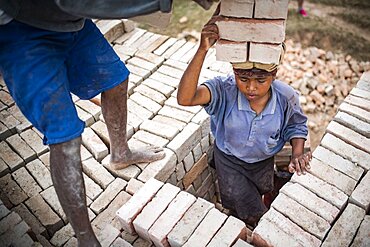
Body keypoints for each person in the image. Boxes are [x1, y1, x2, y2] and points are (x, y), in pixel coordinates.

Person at [0, 0, 218, 246]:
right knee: (66, 136)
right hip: (22, 29)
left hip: (71, 21)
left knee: (116, 80)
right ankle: (86, 239)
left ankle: (120, 153)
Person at [177, 17, 312, 227]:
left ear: (274, 75)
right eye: (243, 79)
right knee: (250, 210)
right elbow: (185, 98)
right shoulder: (224, 91)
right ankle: (254, 227)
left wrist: (297, 154)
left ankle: (265, 199)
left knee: (263, 190)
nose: (251, 88)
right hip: (230, 161)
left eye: (260, 81)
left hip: (263, 161)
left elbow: (296, 125)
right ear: (234, 73)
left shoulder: (286, 97)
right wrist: (202, 50)